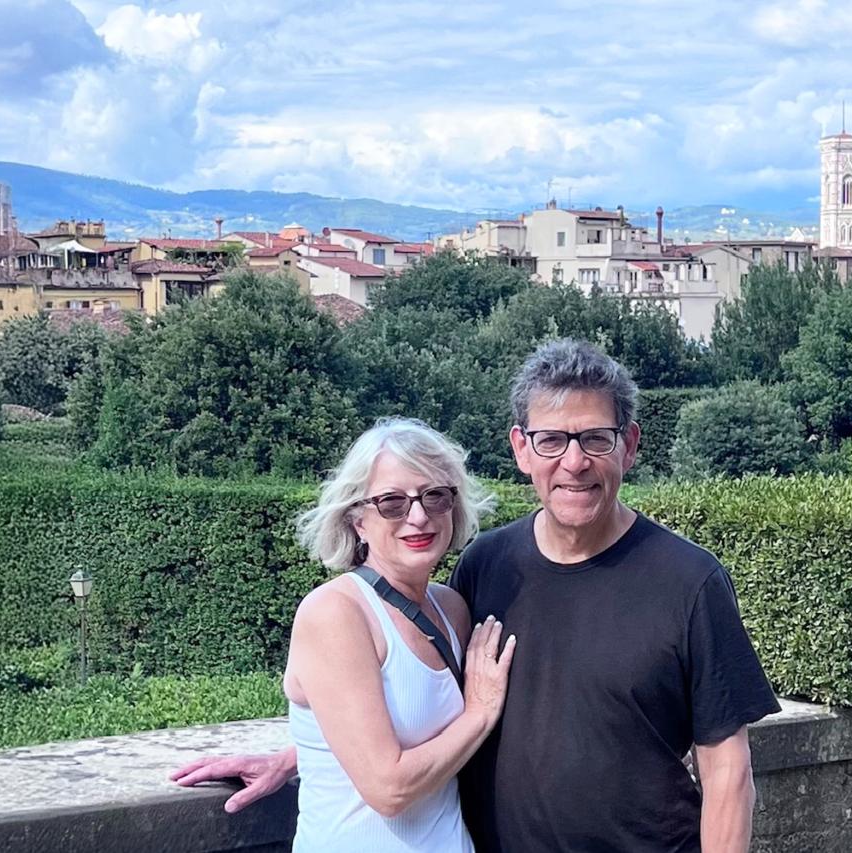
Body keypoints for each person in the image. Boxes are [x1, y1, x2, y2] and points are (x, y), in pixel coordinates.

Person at [174, 339, 780, 852]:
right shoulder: (488, 568)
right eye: (551, 441)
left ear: (629, 445)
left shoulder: (689, 580)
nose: (574, 462)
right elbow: (406, 709)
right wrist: (304, 752)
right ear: (521, 449)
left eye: (595, 438)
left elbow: (728, 772)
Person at [170, 418, 517, 851]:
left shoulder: (451, 610)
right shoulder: (336, 614)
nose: (418, 516)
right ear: (358, 520)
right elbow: (388, 790)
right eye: (392, 502)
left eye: (436, 496)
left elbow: (393, 726)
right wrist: (480, 713)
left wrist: (295, 757)